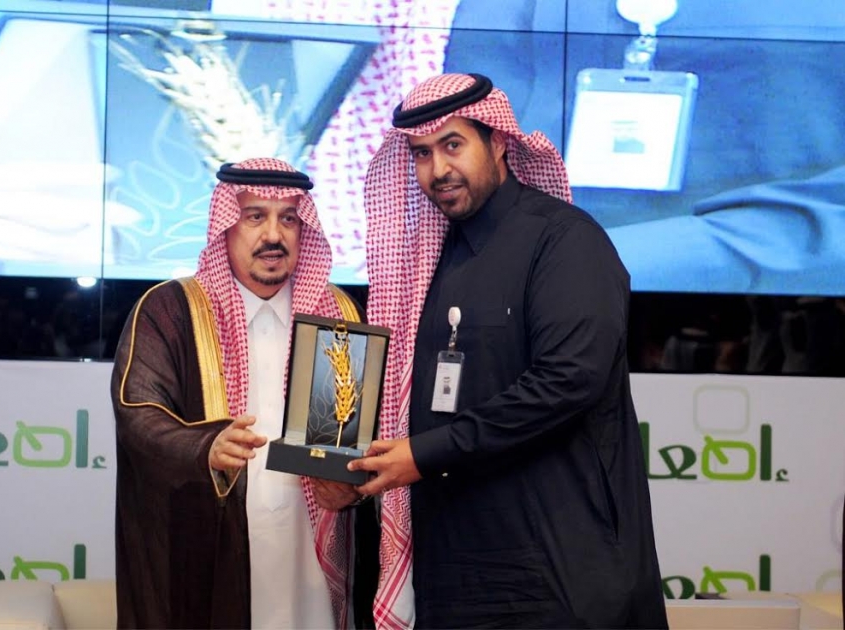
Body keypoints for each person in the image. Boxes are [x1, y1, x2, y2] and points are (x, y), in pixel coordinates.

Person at [349, 73, 668, 628]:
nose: (438, 169)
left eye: (453, 145)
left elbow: (567, 380)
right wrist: (340, 467)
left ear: (497, 141)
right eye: (422, 153)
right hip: (453, 570)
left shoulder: (564, 240)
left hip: (553, 570)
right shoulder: (426, 262)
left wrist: (424, 453)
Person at [111, 157, 369, 629]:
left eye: (288, 219)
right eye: (255, 217)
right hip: (207, 552)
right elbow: (138, 411)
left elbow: (343, 446)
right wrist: (204, 446)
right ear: (226, 226)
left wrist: (347, 488)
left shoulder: (337, 315)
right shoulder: (169, 310)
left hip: (307, 554)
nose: (273, 234)